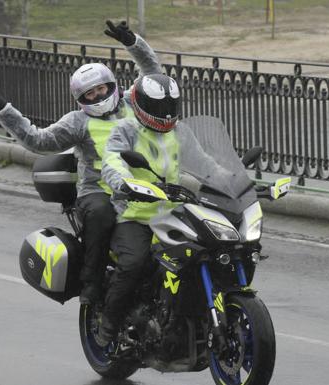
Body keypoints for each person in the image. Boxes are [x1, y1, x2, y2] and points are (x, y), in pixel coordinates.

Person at [0, 21, 162, 305]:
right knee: (101, 214)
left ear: (112, 86)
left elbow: (153, 74)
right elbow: (37, 140)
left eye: (101, 89)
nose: (98, 96)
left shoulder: (134, 104)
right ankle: (92, 283)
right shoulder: (77, 122)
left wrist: (132, 42)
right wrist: (5, 110)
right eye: (90, 94)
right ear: (81, 99)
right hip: (99, 192)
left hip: (144, 186)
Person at [97, 73, 234, 346]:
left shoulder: (180, 131)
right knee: (133, 263)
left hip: (174, 213)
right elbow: (112, 160)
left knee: (209, 251)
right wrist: (125, 183)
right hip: (135, 214)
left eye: (170, 107)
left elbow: (204, 165)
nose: (165, 114)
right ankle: (108, 324)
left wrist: (233, 181)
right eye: (159, 108)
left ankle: (188, 314)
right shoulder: (125, 129)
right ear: (140, 104)